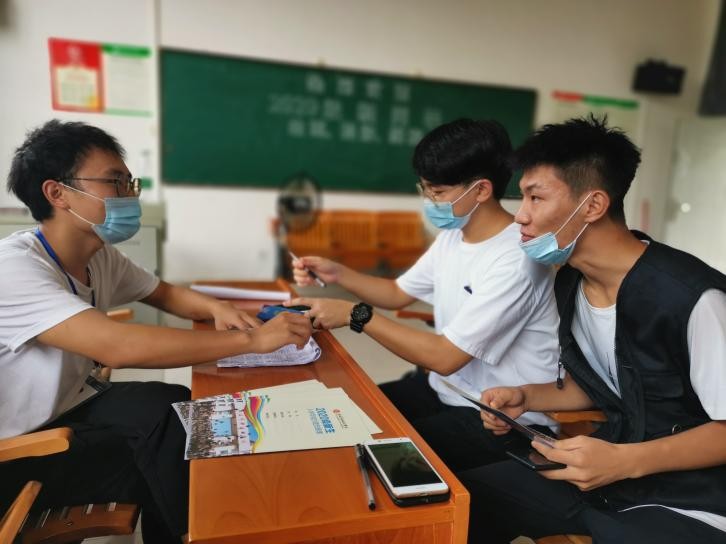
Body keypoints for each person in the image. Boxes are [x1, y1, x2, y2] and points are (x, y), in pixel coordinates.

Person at [0, 120, 312, 543]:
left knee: (174, 409)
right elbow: (117, 346)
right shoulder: (14, 267)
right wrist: (253, 340)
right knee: (176, 447)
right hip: (21, 454)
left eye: (130, 183)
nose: (129, 195)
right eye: (114, 181)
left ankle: (193, 528)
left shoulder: (99, 256)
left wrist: (217, 308)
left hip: (68, 408)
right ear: (57, 193)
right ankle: (202, 530)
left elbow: (165, 294)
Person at [460, 116, 726, 544]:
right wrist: (527, 396)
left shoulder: (693, 298)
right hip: (608, 476)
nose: (520, 216)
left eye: (535, 197)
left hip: (692, 500)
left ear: (593, 205)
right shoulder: (571, 281)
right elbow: (609, 383)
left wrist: (624, 461)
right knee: (467, 498)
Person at [287, 118, 560, 472]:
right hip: (446, 389)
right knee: (344, 416)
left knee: (368, 454)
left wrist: (356, 315)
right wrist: (337, 273)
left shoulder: (515, 259)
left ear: (481, 190)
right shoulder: (454, 236)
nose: (430, 201)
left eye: (438, 192)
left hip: (502, 418)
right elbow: (397, 292)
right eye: (425, 190)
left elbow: (445, 357)